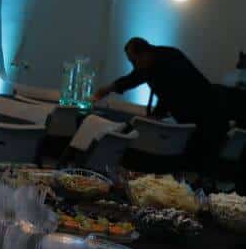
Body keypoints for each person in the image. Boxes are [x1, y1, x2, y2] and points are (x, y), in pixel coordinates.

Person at [95, 37, 226, 173]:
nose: (134, 66)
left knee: (192, 165)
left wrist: (153, 118)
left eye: (134, 61)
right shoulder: (150, 62)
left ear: (145, 53)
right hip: (197, 119)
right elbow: (132, 78)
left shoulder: (170, 59)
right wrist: (106, 89)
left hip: (208, 118)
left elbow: (171, 93)